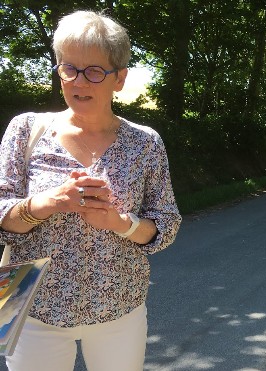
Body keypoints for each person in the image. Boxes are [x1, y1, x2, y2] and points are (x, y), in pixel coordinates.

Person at [0, 11, 181, 370]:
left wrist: (121, 222)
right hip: (35, 307)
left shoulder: (144, 143)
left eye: (95, 71)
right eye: (69, 68)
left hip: (119, 309)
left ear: (120, 79)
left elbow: (167, 224)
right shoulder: (26, 131)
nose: (80, 82)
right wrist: (47, 203)